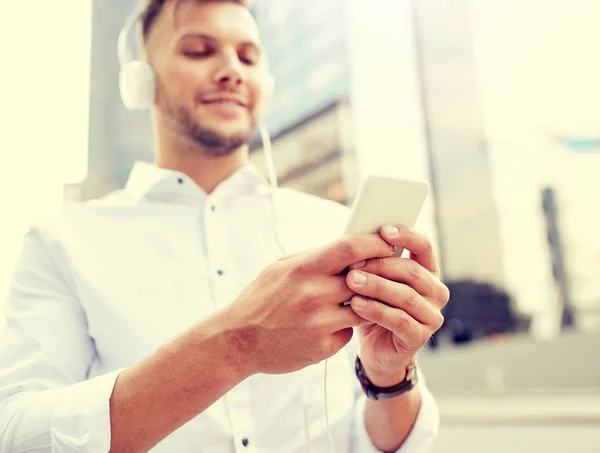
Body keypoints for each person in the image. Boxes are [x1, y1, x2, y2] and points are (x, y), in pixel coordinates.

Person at [0, 1, 449, 452]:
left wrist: (388, 378)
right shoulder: (61, 241)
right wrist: (238, 343)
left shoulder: (335, 232)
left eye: (248, 57)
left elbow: (377, 442)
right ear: (141, 82)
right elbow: (18, 435)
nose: (232, 70)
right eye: (199, 51)